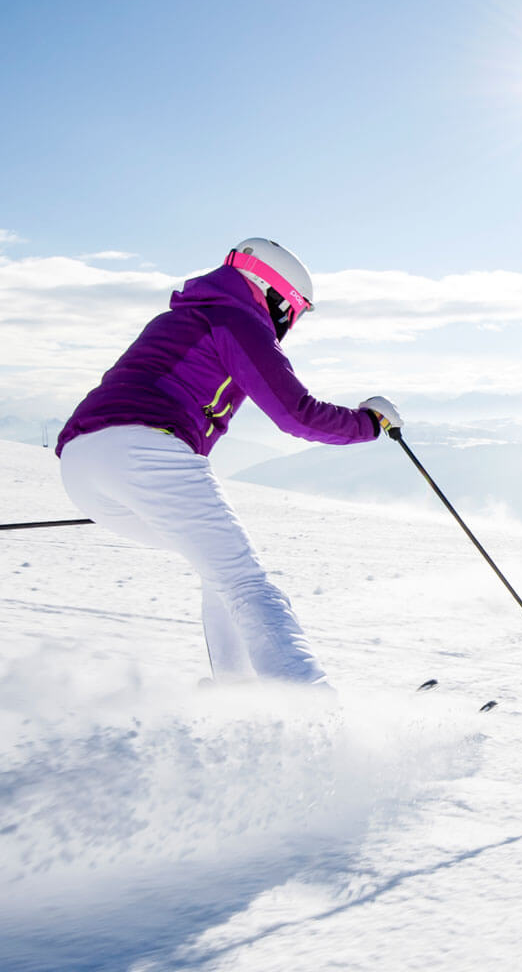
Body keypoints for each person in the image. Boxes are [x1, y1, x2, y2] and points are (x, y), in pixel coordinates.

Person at [55, 238, 400, 687]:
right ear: (276, 296)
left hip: (81, 462)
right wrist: (370, 423)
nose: (287, 324)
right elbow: (297, 414)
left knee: (218, 570)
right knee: (244, 581)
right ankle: (310, 710)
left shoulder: (182, 317)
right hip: (142, 452)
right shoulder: (238, 319)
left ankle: (235, 692)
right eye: (293, 313)